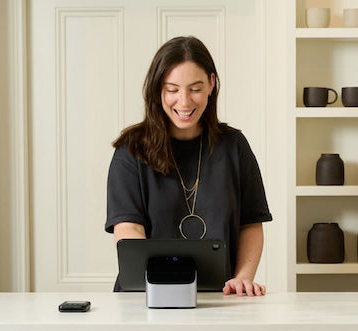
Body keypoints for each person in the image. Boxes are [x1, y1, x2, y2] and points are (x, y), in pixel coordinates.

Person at [105, 36, 272, 296]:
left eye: (195, 89)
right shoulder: (131, 149)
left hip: (219, 298)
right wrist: (161, 284)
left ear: (211, 84)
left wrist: (242, 279)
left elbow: (250, 223)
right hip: (145, 297)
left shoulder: (234, 146)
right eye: (172, 90)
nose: (184, 102)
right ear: (157, 89)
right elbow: (128, 230)